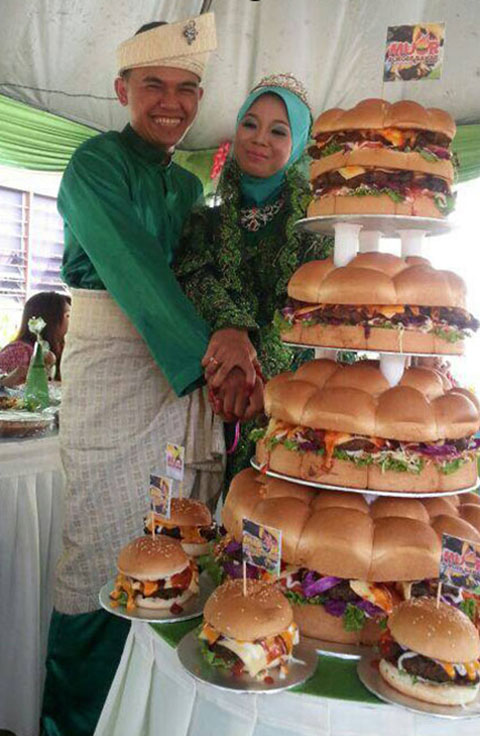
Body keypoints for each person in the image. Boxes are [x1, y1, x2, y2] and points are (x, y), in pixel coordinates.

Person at [40, 16, 239, 736]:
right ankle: (76, 719)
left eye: (186, 88)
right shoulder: (95, 163)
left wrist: (238, 341)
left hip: (184, 377)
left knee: (176, 548)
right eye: (153, 83)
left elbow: (213, 283)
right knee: (103, 549)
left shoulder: (187, 189)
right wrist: (213, 361)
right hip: (120, 372)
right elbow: (134, 268)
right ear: (122, 87)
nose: (170, 102)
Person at [175, 74, 331, 477]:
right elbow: (194, 279)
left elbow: (316, 313)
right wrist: (232, 334)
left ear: (297, 146)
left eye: (279, 131)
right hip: (225, 405)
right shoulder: (205, 223)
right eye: (250, 124)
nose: (260, 138)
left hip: (302, 404)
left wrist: (269, 387)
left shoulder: (319, 227)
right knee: (235, 520)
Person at [0, 291, 71, 385]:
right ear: (51, 319)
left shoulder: (63, 349)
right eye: (68, 316)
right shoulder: (19, 351)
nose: (73, 321)